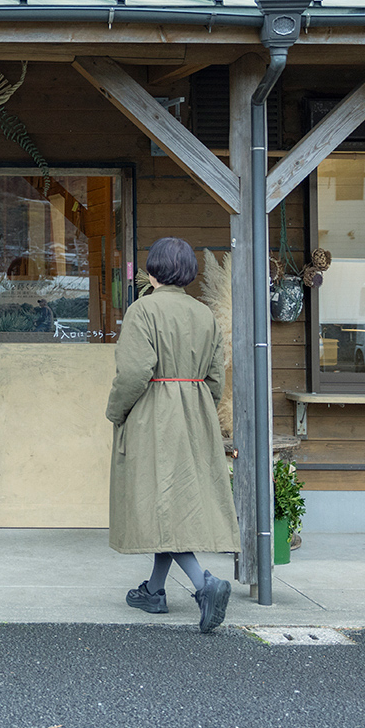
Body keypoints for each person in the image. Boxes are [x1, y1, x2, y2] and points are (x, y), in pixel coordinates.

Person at [106, 236, 240, 633]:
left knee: (161, 502)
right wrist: (196, 403)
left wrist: (117, 411)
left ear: (152, 271)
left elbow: (133, 372)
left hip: (154, 413)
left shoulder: (142, 310)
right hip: (195, 413)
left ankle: (204, 584)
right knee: (173, 504)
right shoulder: (204, 314)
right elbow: (216, 377)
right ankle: (154, 591)